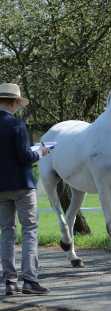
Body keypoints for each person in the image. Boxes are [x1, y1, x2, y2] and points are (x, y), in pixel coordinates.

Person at [0, 83, 50, 295]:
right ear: (13, 102)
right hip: (22, 184)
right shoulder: (17, 125)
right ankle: (30, 279)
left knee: (7, 232)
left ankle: (10, 282)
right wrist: (41, 152)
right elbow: (25, 156)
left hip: (0, 188)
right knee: (29, 229)